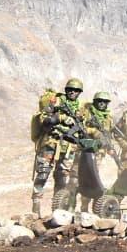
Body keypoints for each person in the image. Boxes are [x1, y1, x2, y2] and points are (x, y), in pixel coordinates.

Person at [30, 79, 88, 214]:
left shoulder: (80, 109)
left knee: (62, 178)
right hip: (51, 143)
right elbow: (44, 119)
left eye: (76, 90)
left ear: (80, 92)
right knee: (43, 174)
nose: (72, 92)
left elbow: (82, 128)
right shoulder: (55, 101)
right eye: (69, 90)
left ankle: (57, 209)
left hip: (68, 147)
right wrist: (61, 118)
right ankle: (35, 208)